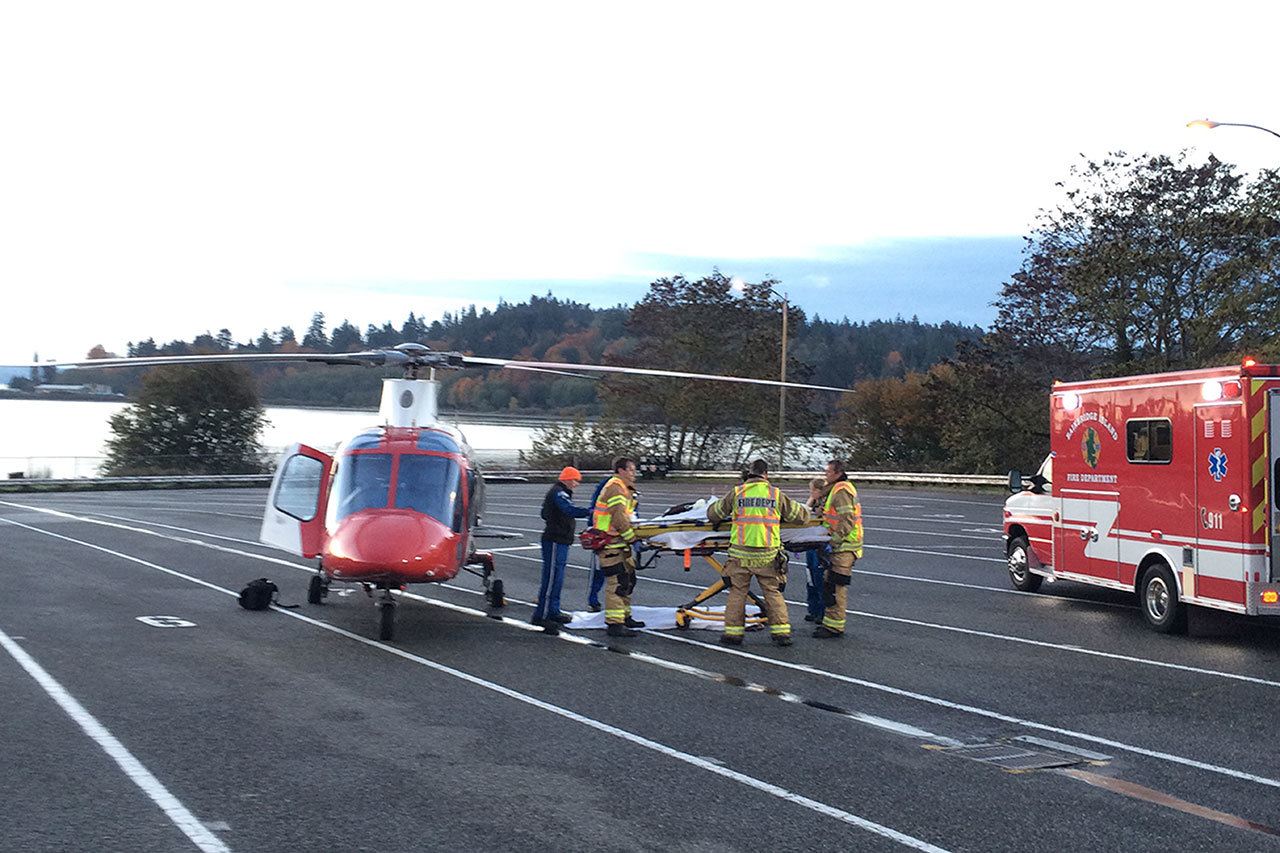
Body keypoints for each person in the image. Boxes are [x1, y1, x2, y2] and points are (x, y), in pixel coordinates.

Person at [706, 458, 809, 647]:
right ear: (766, 474)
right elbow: (800, 517)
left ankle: (733, 634)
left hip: (740, 555)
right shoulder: (775, 494)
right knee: (772, 592)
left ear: (749, 473)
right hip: (767, 555)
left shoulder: (737, 493)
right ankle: (781, 633)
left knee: (738, 592)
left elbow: (713, 514)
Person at [533, 466, 592, 632]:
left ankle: (553, 611)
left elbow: (545, 513)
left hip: (560, 540)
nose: (576, 484)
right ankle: (542, 615)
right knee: (552, 577)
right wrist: (590, 512)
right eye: (575, 480)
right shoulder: (559, 493)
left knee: (557, 577)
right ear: (567, 479)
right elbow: (568, 510)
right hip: (555, 540)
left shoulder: (559, 493)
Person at [592, 456, 645, 637]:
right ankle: (615, 624)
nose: (634, 473)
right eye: (631, 470)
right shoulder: (615, 487)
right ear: (621, 470)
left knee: (628, 580)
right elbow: (618, 517)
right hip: (611, 542)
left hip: (619, 542)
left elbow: (627, 516)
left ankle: (624, 616)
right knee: (617, 583)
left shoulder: (624, 488)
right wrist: (632, 538)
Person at [813, 458, 864, 639]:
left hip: (844, 546)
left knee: (836, 586)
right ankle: (831, 622)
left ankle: (835, 627)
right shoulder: (837, 489)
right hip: (842, 545)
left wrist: (833, 541)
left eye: (828, 472)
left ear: (837, 473)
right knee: (831, 585)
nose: (825, 475)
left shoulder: (842, 491)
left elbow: (847, 519)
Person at [803, 477, 831, 623]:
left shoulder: (827, 505)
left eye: (813, 490)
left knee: (819, 578)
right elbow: (805, 512)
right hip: (810, 542)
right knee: (811, 578)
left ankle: (822, 611)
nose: (811, 493)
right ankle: (813, 609)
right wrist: (811, 499)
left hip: (821, 544)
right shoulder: (814, 503)